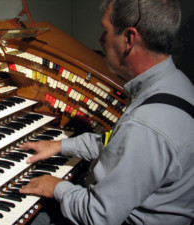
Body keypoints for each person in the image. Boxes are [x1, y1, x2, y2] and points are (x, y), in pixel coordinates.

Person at [19, 0, 194, 224]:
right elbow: (118, 145)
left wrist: (57, 187)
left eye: (106, 31)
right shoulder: (176, 84)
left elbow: (97, 216)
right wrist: (61, 145)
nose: (100, 40)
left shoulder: (144, 126)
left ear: (129, 39)